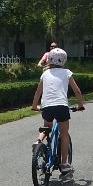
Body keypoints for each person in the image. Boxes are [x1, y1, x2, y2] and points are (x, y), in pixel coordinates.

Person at [31, 47, 85, 179]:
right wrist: (80, 105)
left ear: (49, 59)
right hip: (61, 106)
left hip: (47, 106)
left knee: (47, 127)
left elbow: (38, 92)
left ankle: (38, 141)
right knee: (64, 133)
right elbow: (77, 91)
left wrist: (34, 106)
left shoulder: (45, 74)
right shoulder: (66, 72)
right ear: (64, 60)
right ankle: (64, 163)